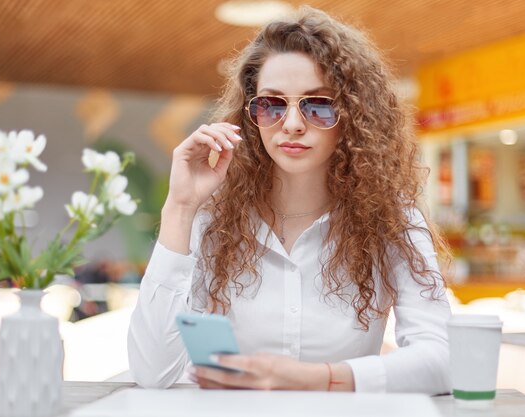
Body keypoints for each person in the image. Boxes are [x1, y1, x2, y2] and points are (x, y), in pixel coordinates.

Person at [128, 7, 451, 394]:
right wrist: (179, 208)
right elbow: (153, 373)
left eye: (318, 104)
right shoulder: (215, 217)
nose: (293, 124)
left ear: (353, 115)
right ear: (251, 116)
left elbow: (443, 359)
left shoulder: (393, 218)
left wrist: (316, 379)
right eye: (272, 104)